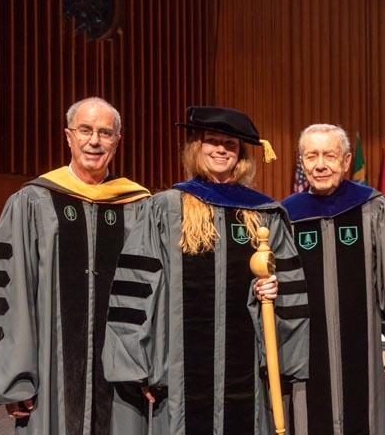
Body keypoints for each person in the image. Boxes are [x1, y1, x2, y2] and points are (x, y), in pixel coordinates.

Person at [101, 106, 310, 435]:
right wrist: (138, 363)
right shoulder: (167, 207)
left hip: (247, 372)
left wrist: (273, 289)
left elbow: (287, 283)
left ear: (241, 153)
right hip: (180, 374)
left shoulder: (264, 212)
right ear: (196, 146)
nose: (222, 149)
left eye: (231, 143)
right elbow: (138, 285)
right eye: (213, 141)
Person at [0, 97, 152, 434]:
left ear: (117, 141)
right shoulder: (32, 201)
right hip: (51, 376)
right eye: (85, 130)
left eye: (105, 133)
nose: (94, 140)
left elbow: (155, 294)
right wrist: (14, 380)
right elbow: (11, 292)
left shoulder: (140, 207)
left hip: (124, 379)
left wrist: (153, 367)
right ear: (68, 136)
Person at [281, 123, 385, 434]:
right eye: (311, 156)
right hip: (306, 358)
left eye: (329, 155)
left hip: (361, 356)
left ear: (347, 161)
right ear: (302, 162)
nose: (320, 165)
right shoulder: (286, 217)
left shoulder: (373, 209)